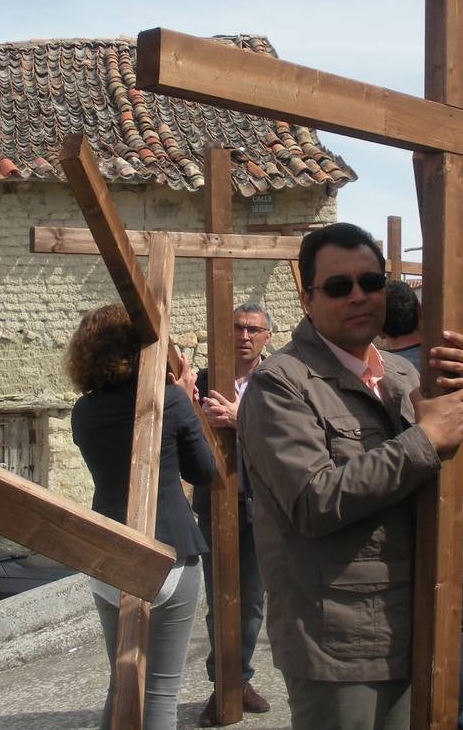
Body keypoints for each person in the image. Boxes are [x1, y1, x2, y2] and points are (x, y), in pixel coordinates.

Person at [237, 222, 463, 730]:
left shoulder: (405, 376)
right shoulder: (280, 385)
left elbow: (460, 480)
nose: (359, 296)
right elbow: (313, 501)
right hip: (340, 638)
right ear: (308, 300)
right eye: (339, 286)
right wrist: (424, 438)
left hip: (417, 617)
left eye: (372, 281)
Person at [69, 304, 218, 730]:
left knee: (120, 684)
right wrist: (186, 400)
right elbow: (204, 472)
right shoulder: (170, 401)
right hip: (170, 550)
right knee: (160, 693)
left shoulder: (84, 412)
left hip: (107, 550)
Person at [378, 279, 463, 729]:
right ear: (418, 316)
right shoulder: (449, 363)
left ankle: (424, 714)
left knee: (412, 624)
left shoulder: (379, 370)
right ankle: (450, 714)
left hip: (415, 512)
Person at [193, 303, 273, 726]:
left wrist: (240, 419)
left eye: (253, 330)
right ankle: (224, 683)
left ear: (266, 338)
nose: (244, 336)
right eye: (237, 328)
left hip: (263, 503)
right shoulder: (204, 380)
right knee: (219, 597)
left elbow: (287, 436)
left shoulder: (279, 379)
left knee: (253, 599)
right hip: (215, 503)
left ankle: (239, 678)